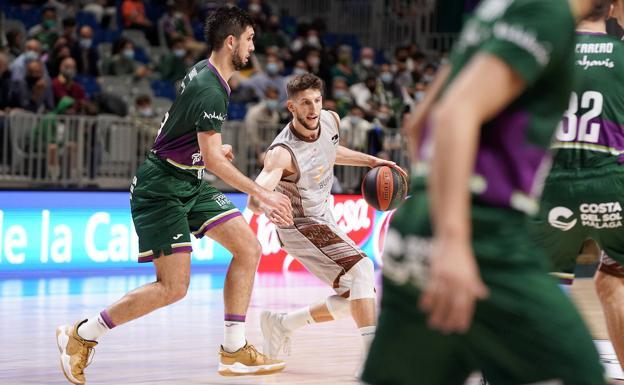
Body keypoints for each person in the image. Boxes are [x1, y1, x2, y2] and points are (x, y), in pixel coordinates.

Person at [362, 0, 610, 384]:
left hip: (417, 228)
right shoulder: (549, 14)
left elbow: (421, 121)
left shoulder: (495, 9)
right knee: (581, 374)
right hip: (483, 230)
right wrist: (454, 239)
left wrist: (433, 209)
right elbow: (453, 114)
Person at [55, 7, 292, 385]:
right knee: (173, 287)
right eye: (248, 39)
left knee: (248, 249)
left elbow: (187, 137)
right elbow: (212, 159)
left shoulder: (207, 72)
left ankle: (234, 349)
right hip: (161, 190)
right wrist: (260, 191)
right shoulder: (210, 87)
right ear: (231, 41)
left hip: (188, 179)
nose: (252, 46)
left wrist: (206, 153)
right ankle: (82, 335)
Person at [246, 73, 405, 367]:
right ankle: (374, 361)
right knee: (363, 268)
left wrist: (371, 161)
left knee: (357, 296)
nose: (313, 109)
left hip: (324, 217)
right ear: (291, 107)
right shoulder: (282, 153)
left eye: (317, 100)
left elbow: (330, 151)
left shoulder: (331, 119)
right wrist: (267, 206)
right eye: (305, 103)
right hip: (298, 224)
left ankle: (282, 324)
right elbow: (255, 198)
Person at [532, 0, 624, 372]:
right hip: (611, 180)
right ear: (613, 9)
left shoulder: (543, 56)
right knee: (613, 280)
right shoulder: (620, 55)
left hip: (551, 182)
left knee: (533, 286)